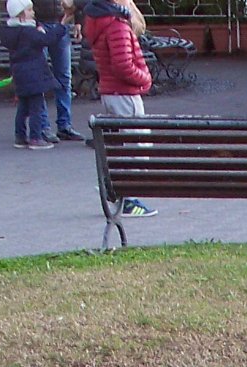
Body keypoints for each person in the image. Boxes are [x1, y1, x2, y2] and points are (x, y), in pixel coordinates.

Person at [83, 0, 157, 216]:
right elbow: (123, 64)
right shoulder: (116, 24)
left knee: (120, 146)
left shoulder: (96, 19)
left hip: (109, 91)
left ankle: (116, 190)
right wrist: (145, 79)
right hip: (125, 93)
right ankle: (129, 199)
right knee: (138, 146)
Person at [0, 0, 58, 150]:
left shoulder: (11, 32)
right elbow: (47, 40)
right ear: (22, 15)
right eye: (30, 10)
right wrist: (61, 28)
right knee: (36, 107)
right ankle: (36, 137)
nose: (33, 13)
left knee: (23, 107)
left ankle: (20, 136)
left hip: (20, 74)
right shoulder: (29, 32)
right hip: (34, 75)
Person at [47, 0, 84, 143]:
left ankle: (64, 125)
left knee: (64, 77)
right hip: (41, 22)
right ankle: (43, 126)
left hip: (60, 22)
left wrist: (78, 20)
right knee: (42, 77)